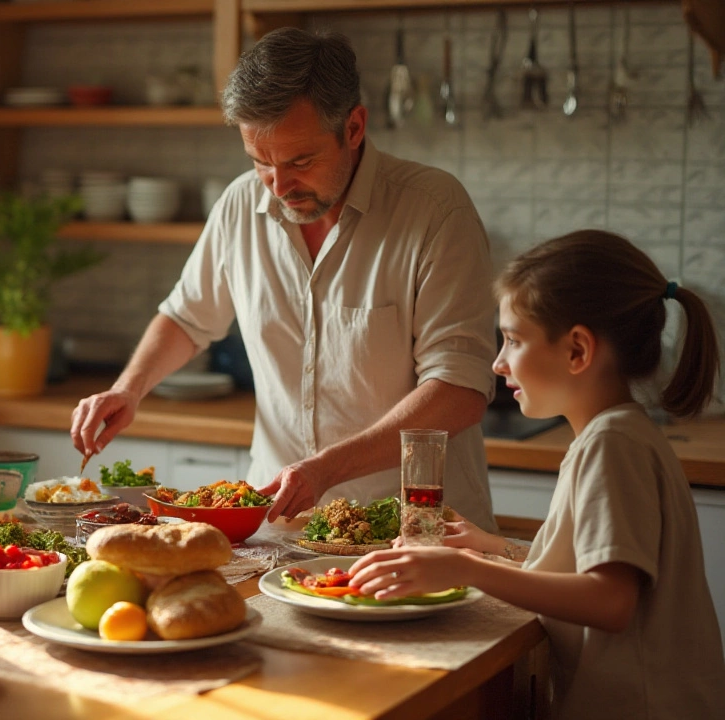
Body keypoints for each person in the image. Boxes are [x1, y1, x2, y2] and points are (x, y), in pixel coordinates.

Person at [71, 28, 498, 529]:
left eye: (301, 161)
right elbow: (187, 318)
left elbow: (459, 389)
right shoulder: (238, 206)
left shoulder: (435, 210)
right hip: (281, 530)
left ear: (354, 127)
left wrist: (328, 469)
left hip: (416, 532)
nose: (280, 186)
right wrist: (129, 388)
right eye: (260, 163)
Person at [349, 230, 725, 718]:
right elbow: (585, 569)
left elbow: (610, 600)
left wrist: (464, 569)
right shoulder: (616, 434)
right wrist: (491, 546)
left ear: (577, 351)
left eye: (513, 339)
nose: (498, 362)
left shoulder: (612, 446)